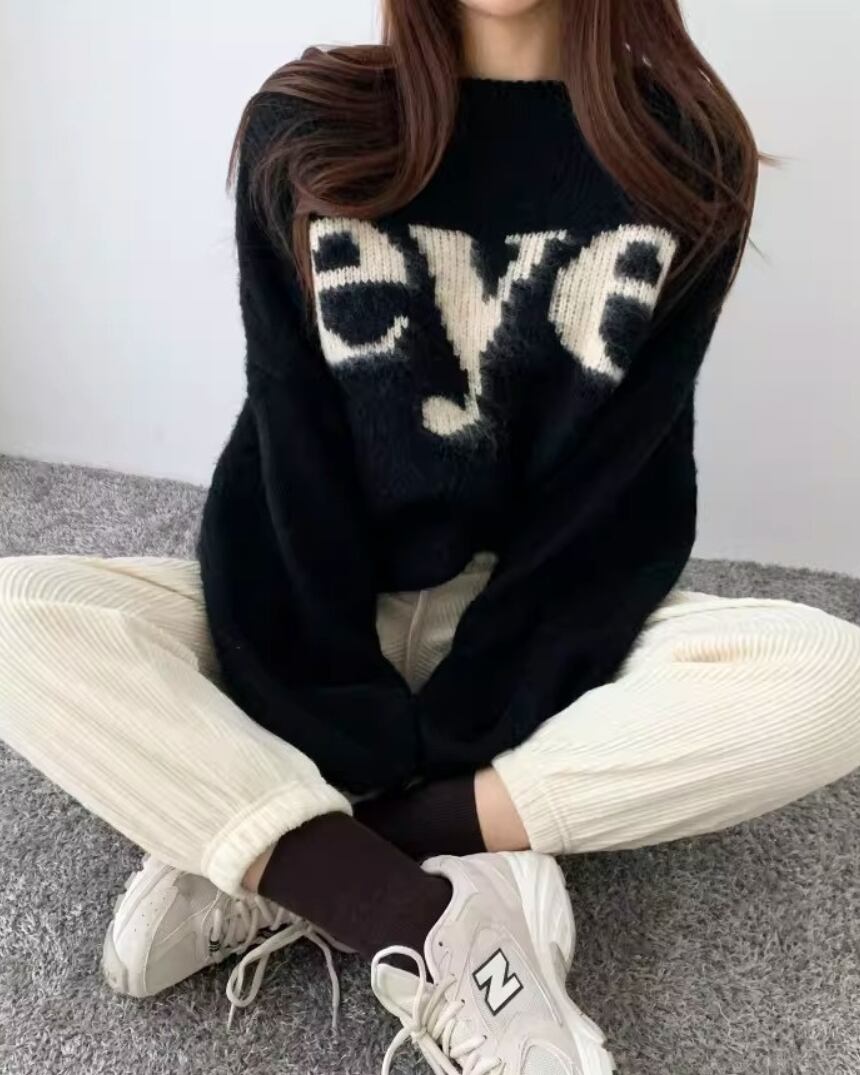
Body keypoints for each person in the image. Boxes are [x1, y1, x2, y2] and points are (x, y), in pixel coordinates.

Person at [1, 1, 859, 1071]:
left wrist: (481, 709)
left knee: (830, 677)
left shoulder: (683, 152)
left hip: (535, 610)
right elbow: (287, 439)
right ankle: (413, 907)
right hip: (317, 582)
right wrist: (315, 698)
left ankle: (287, 845)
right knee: (18, 618)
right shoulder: (308, 123)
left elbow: (625, 480)